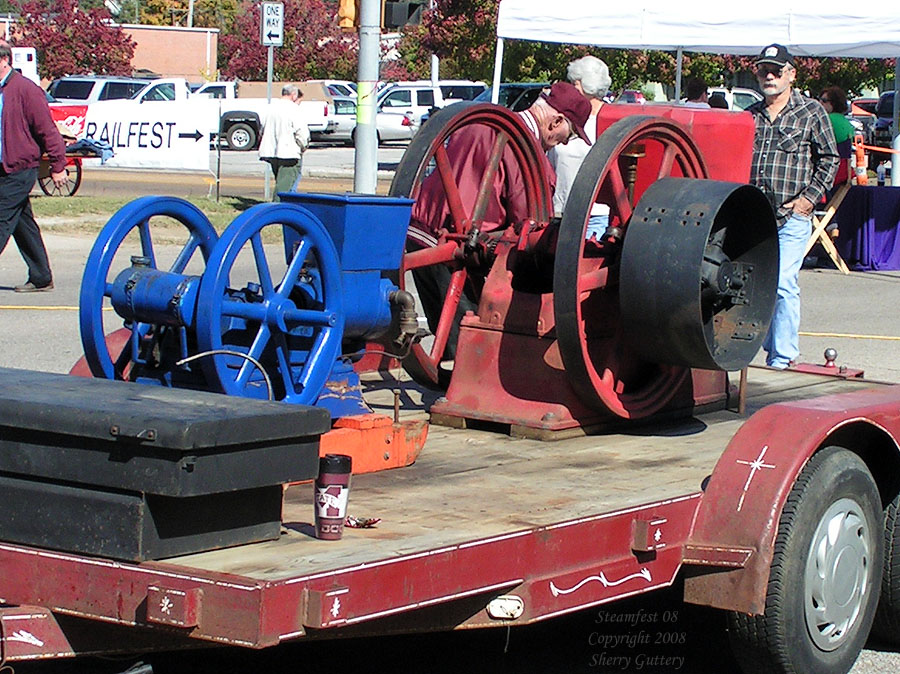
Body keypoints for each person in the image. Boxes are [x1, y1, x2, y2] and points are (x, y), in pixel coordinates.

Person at [408, 81, 591, 359]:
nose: (565, 141)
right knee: (468, 347)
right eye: (570, 133)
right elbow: (529, 223)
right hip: (458, 250)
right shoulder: (528, 156)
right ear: (556, 121)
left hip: (418, 232)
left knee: (446, 334)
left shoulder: (479, 124)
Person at [747, 43, 839, 369]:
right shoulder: (750, 115)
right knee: (757, 284)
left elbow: (829, 159)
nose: (769, 76)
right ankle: (770, 353)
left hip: (792, 216)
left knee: (783, 283)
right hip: (755, 217)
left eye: (776, 70)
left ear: (791, 74)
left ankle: (783, 358)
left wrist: (809, 199)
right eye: (763, 70)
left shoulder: (812, 112)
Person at [0, 40, 66, 292]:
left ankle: (41, 276)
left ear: (4, 60)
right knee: (22, 223)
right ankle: (41, 277)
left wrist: (58, 164)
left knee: (1, 219)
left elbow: (48, 130)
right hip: (2, 167)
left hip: (20, 168)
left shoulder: (26, 90)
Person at [548, 55, 611, 239]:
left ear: (582, 85)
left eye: (574, 84)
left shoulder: (605, 122)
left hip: (594, 215)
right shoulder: (564, 120)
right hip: (560, 213)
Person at [258, 84, 310, 201]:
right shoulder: (293, 109)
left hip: (272, 151)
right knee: (285, 187)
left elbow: (261, 129)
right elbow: (302, 133)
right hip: (289, 153)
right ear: (294, 95)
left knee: (279, 181)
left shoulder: (269, 108)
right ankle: (276, 210)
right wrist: (303, 146)